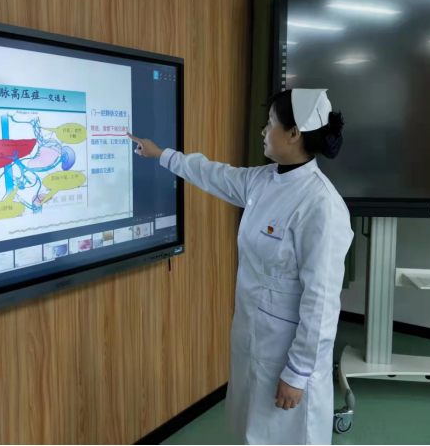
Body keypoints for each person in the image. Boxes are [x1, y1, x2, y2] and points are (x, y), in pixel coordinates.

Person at [128, 89, 354, 445]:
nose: (263, 130)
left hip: (289, 354)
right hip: (252, 336)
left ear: (294, 134)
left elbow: (322, 301)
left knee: (287, 435)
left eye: (271, 123)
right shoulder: (264, 180)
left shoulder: (321, 205)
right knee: (250, 428)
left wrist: (298, 373)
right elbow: (213, 174)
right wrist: (161, 155)